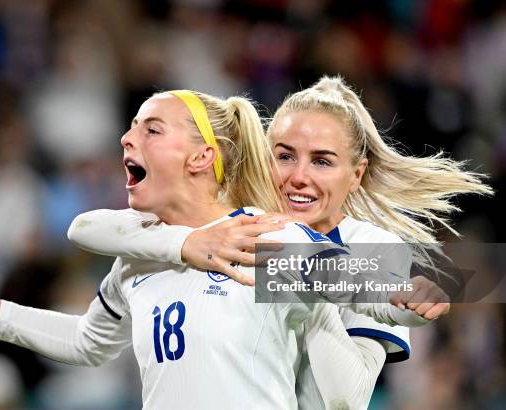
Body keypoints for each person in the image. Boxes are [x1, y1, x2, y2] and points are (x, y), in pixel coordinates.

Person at [0, 89, 440, 410]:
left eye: (151, 129)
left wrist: (409, 294)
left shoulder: (261, 241)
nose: (127, 138)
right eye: (131, 126)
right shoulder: (141, 257)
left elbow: (364, 287)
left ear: (200, 158)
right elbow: (86, 340)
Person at [66, 77, 491, 407]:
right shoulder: (240, 222)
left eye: (322, 161)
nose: (298, 176)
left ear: (356, 174)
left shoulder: (372, 246)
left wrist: (307, 289)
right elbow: (91, 228)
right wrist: (185, 243)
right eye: (284, 156)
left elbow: (347, 399)